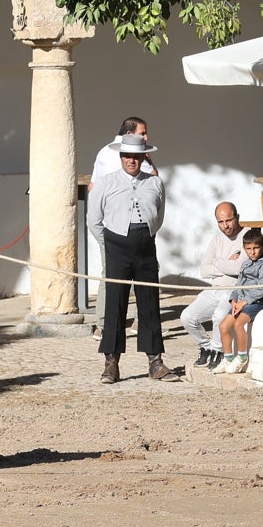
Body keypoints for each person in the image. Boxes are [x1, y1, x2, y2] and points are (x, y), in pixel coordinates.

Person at [87, 132, 179, 383]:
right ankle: (111, 363)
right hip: (116, 244)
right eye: (127, 155)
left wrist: (146, 233)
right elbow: (93, 220)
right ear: (121, 156)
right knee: (115, 303)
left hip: (145, 244)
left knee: (149, 302)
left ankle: (155, 361)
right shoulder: (106, 183)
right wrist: (109, 244)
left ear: (143, 157)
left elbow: (158, 216)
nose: (131, 160)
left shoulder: (155, 183)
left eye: (136, 156)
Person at [89, 117, 156, 334]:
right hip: (118, 230)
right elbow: (153, 181)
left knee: (110, 272)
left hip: (116, 229)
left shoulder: (102, 152)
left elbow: (92, 184)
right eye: (142, 133)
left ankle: (103, 324)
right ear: (129, 134)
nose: (146, 137)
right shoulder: (136, 155)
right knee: (125, 275)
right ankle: (129, 323)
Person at [179, 202, 245, 371]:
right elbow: (204, 270)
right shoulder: (217, 238)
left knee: (219, 316)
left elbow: (238, 268)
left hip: (233, 290)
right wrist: (224, 263)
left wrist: (216, 262)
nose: (226, 226)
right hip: (214, 288)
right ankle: (206, 347)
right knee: (187, 317)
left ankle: (218, 350)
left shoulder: (247, 236)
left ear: (237, 217)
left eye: (229, 220)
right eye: (221, 222)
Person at [212, 228, 263, 375]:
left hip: (256, 302)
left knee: (239, 323)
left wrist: (244, 302)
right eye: (248, 249)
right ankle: (227, 357)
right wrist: (233, 299)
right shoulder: (245, 264)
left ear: (262, 247)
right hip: (240, 302)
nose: (252, 252)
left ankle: (242, 356)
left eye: (256, 248)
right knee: (223, 326)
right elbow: (239, 284)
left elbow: (262, 288)